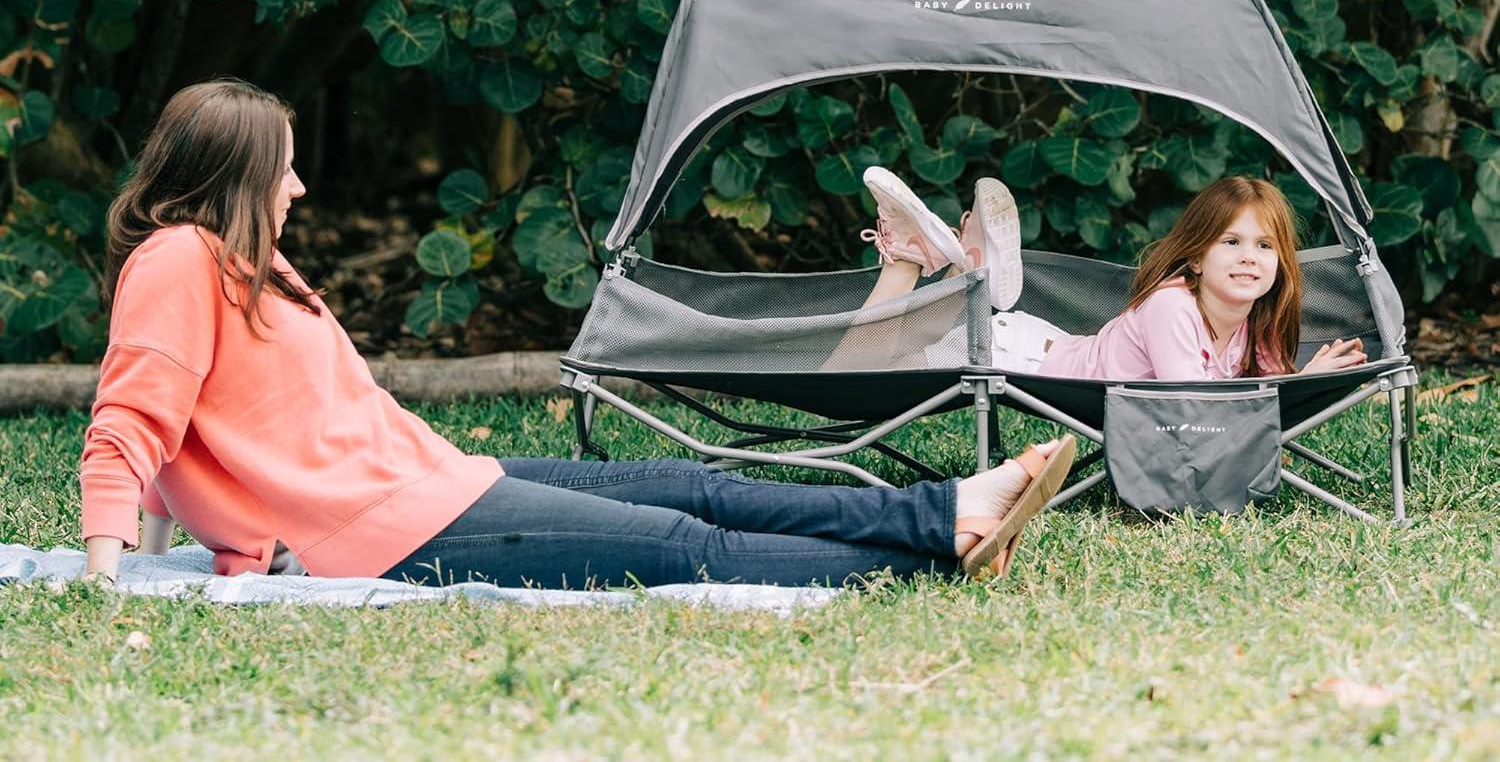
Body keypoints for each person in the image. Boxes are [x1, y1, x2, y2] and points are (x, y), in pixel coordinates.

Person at [78, 79, 1076, 592]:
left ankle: (939, 509)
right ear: (235, 176)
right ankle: (932, 553)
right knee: (692, 547)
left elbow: (181, 436)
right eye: (284, 170)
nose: (298, 187)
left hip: (429, 484)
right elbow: (133, 422)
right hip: (383, 532)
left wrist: (168, 549)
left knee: (701, 486)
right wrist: (111, 574)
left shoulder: (245, 263)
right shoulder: (179, 260)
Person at [857, 166, 1369, 380]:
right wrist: (1297, 386)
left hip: (1047, 348)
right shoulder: (1174, 305)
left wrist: (1303, 381)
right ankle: (911, 257)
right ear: (1195, 257)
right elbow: (1197, 411)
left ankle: (964, 267)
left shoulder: (1256, 321)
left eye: (1265, 246)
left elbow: (1257, 416)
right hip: (1013, 356)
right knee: (856, 368)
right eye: (1230, 242)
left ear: (1280, 263)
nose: (1248, 257)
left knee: (877, 356)